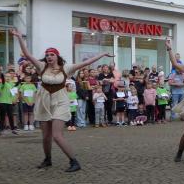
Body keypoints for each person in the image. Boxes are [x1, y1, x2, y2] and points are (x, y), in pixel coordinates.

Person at [11, 28, 112, 172]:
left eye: (52, 54)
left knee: (57, 135)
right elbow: (27, 54)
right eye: (47, 55)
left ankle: (74, 162)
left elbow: (87, 63)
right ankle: (47, 159)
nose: (49, 57)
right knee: (46, 136)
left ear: (57, 56)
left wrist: (102, 54)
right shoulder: (41, 66)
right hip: (44, 101)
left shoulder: (67, 68)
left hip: (60, 101)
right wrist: (19, 37)